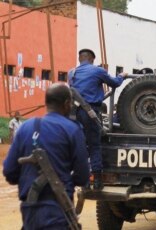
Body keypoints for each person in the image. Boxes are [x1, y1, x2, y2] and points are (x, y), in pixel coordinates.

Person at [3, 83, 90, 229]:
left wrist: (28, 178)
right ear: (67, 104)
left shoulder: (25, 127)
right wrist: (65, 180)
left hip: (29, 213)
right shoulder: (72, 130)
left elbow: (9, 172)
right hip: (58, 211)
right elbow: (82, 176)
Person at [69, 48, 127, 190]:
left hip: (74, 114)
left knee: (81, 147)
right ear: (92, 59)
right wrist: (122, 76)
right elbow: (114, 83)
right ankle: (98, 181)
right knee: (94, 145)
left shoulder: (72, 73)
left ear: (80, 59)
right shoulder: (97, 71)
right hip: (91, 113)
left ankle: (85, 182)